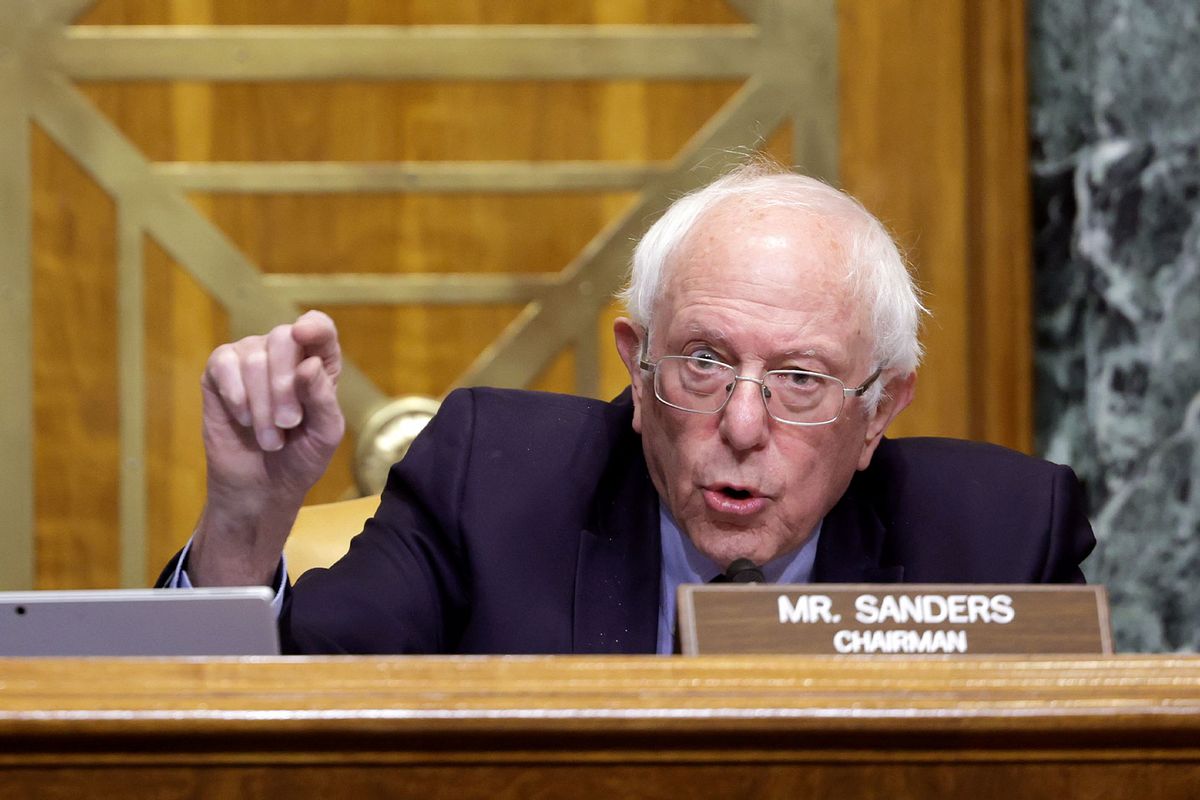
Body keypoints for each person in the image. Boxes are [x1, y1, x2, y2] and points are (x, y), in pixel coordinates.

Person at [159, 164, 1095, 654]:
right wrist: (246, 519)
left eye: (802, 380)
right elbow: (281, 720)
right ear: (635, 369)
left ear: (880, 410)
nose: (740, 424)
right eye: (702, 361)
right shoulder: (490, 483)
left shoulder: (1000, 538)